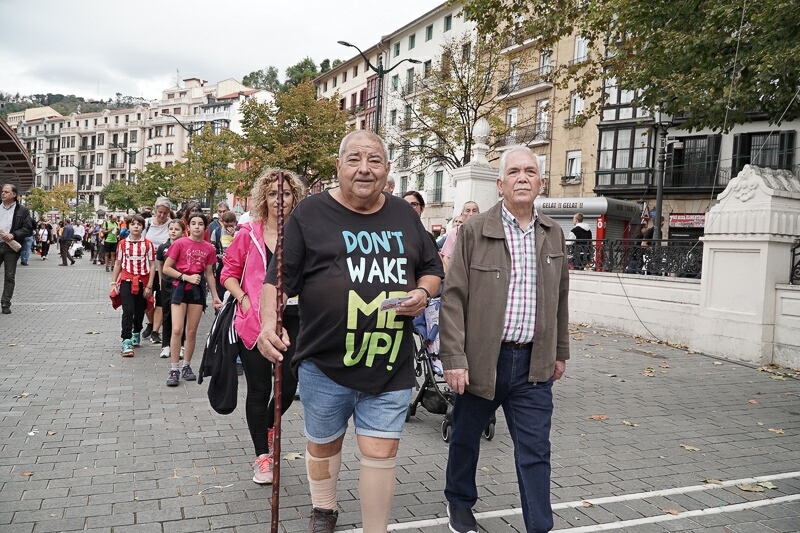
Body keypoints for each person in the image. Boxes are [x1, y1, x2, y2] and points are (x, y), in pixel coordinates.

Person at [257, 130, 443, 533]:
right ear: (338, 166)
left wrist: (423, 293)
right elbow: (278, 277)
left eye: (374, 160)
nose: (364, 168)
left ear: (388, 169)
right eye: (354, 158)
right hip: (325, 363)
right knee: (324, 445)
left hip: (389, 360)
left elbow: (432, 267)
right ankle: (324, 508)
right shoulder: (308, 214)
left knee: (381, 449)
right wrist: (266, 324)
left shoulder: (405, 214)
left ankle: (375, 529)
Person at [439, 145, 569, 533]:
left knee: (535, 451)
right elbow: (454, 297)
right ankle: (460, 505)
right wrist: (454, 358)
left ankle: (539, 526)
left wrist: (559, 352)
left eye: (530, 171)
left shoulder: (553, 232)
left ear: (541, 182)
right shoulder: (475, 231)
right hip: (482, 359)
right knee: (465, 437)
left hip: (534, 363)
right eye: (514, 172)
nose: (523, 177)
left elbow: (561, 298)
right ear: (500, 183)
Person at [221, 169, 305, 484]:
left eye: (285, 193)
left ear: (294, 197)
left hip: (297, 320)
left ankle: (268, 425)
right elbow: (227, 272)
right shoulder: (248, 234)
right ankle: (261, 457)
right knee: (259, 388)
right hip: (255, 322)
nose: (278, 199)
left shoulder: (304, 233)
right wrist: (243, 298)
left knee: (290, 384)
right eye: (272, 194)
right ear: (263, 199)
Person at [162, 212, 222, 386]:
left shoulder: (209, 248)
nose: (197, 227)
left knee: (192, 331)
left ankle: (187, 366)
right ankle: (174, 368)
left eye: (200, 224)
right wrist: (185, 277)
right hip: (180, 289)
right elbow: (167, 268)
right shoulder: (180, 243)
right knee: (177, 329)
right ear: (188, 227)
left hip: (197, 292)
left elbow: (210, 274)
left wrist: (216, 297)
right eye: (194, 223)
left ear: (205, 228)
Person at [110, 215, 156, 356]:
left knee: (140, 308)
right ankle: (126, 340)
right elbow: (118, 263)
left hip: (143, 281)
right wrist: (113, 282)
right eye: (133, 224)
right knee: (128, 309)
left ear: (143, 227)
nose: (136, 226)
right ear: (128, 227)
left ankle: (137, 331)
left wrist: (149, 285)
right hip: (127, 280)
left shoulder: (148, 244)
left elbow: (152, 265)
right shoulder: (122, 244)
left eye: (139, 224)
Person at [142, 198, 174, 344]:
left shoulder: (171, 225)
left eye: (165, 213)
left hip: (164, 269)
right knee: (146, 298)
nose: (162, 216)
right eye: (160, 212)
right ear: (155, 211)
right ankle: (150, 323)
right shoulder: (147, 224)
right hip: (147, 268)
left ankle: (155, 331)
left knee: (161, 300)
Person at [0, 184, 34, 315]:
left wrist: (13, 234)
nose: (3, 193)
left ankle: (5, 303)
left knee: (9, 276)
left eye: (6, 192)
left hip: (11, 246)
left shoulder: (22, 211)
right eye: (2, 191)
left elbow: (28, 229)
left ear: (14, 195)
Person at [156, 219, 185, 359]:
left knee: (180, 316)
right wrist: (161, 281)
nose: (173, 231)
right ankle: (166, 345)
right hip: (167, 284)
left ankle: (179, 345)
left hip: (181, 284)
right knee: (166, 314)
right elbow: (161, 265)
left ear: (183, 232)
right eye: (171, 229)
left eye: (177, 229)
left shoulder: (185, 246)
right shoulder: (163, 247)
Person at [440, 201, 480, 271]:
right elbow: (447, 257)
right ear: (462, 214)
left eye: (474, 211)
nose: (471, 214)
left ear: (479, 214)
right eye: (467, 211)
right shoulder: (455, 232)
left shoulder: (484, 231)